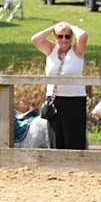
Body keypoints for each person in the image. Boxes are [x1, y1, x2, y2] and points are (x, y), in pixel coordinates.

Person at [32, 21, 89, 150]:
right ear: (55, 37)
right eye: (60, 36)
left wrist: (71, 26)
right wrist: (53, 27)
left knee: (74, 139)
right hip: (54, 100)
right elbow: (35, 39)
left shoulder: (77, 51)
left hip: (75, 99)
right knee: (55, 139)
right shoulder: (51, 50)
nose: (64, 39)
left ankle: (76, 166)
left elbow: (83, 35)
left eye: (67, 36)